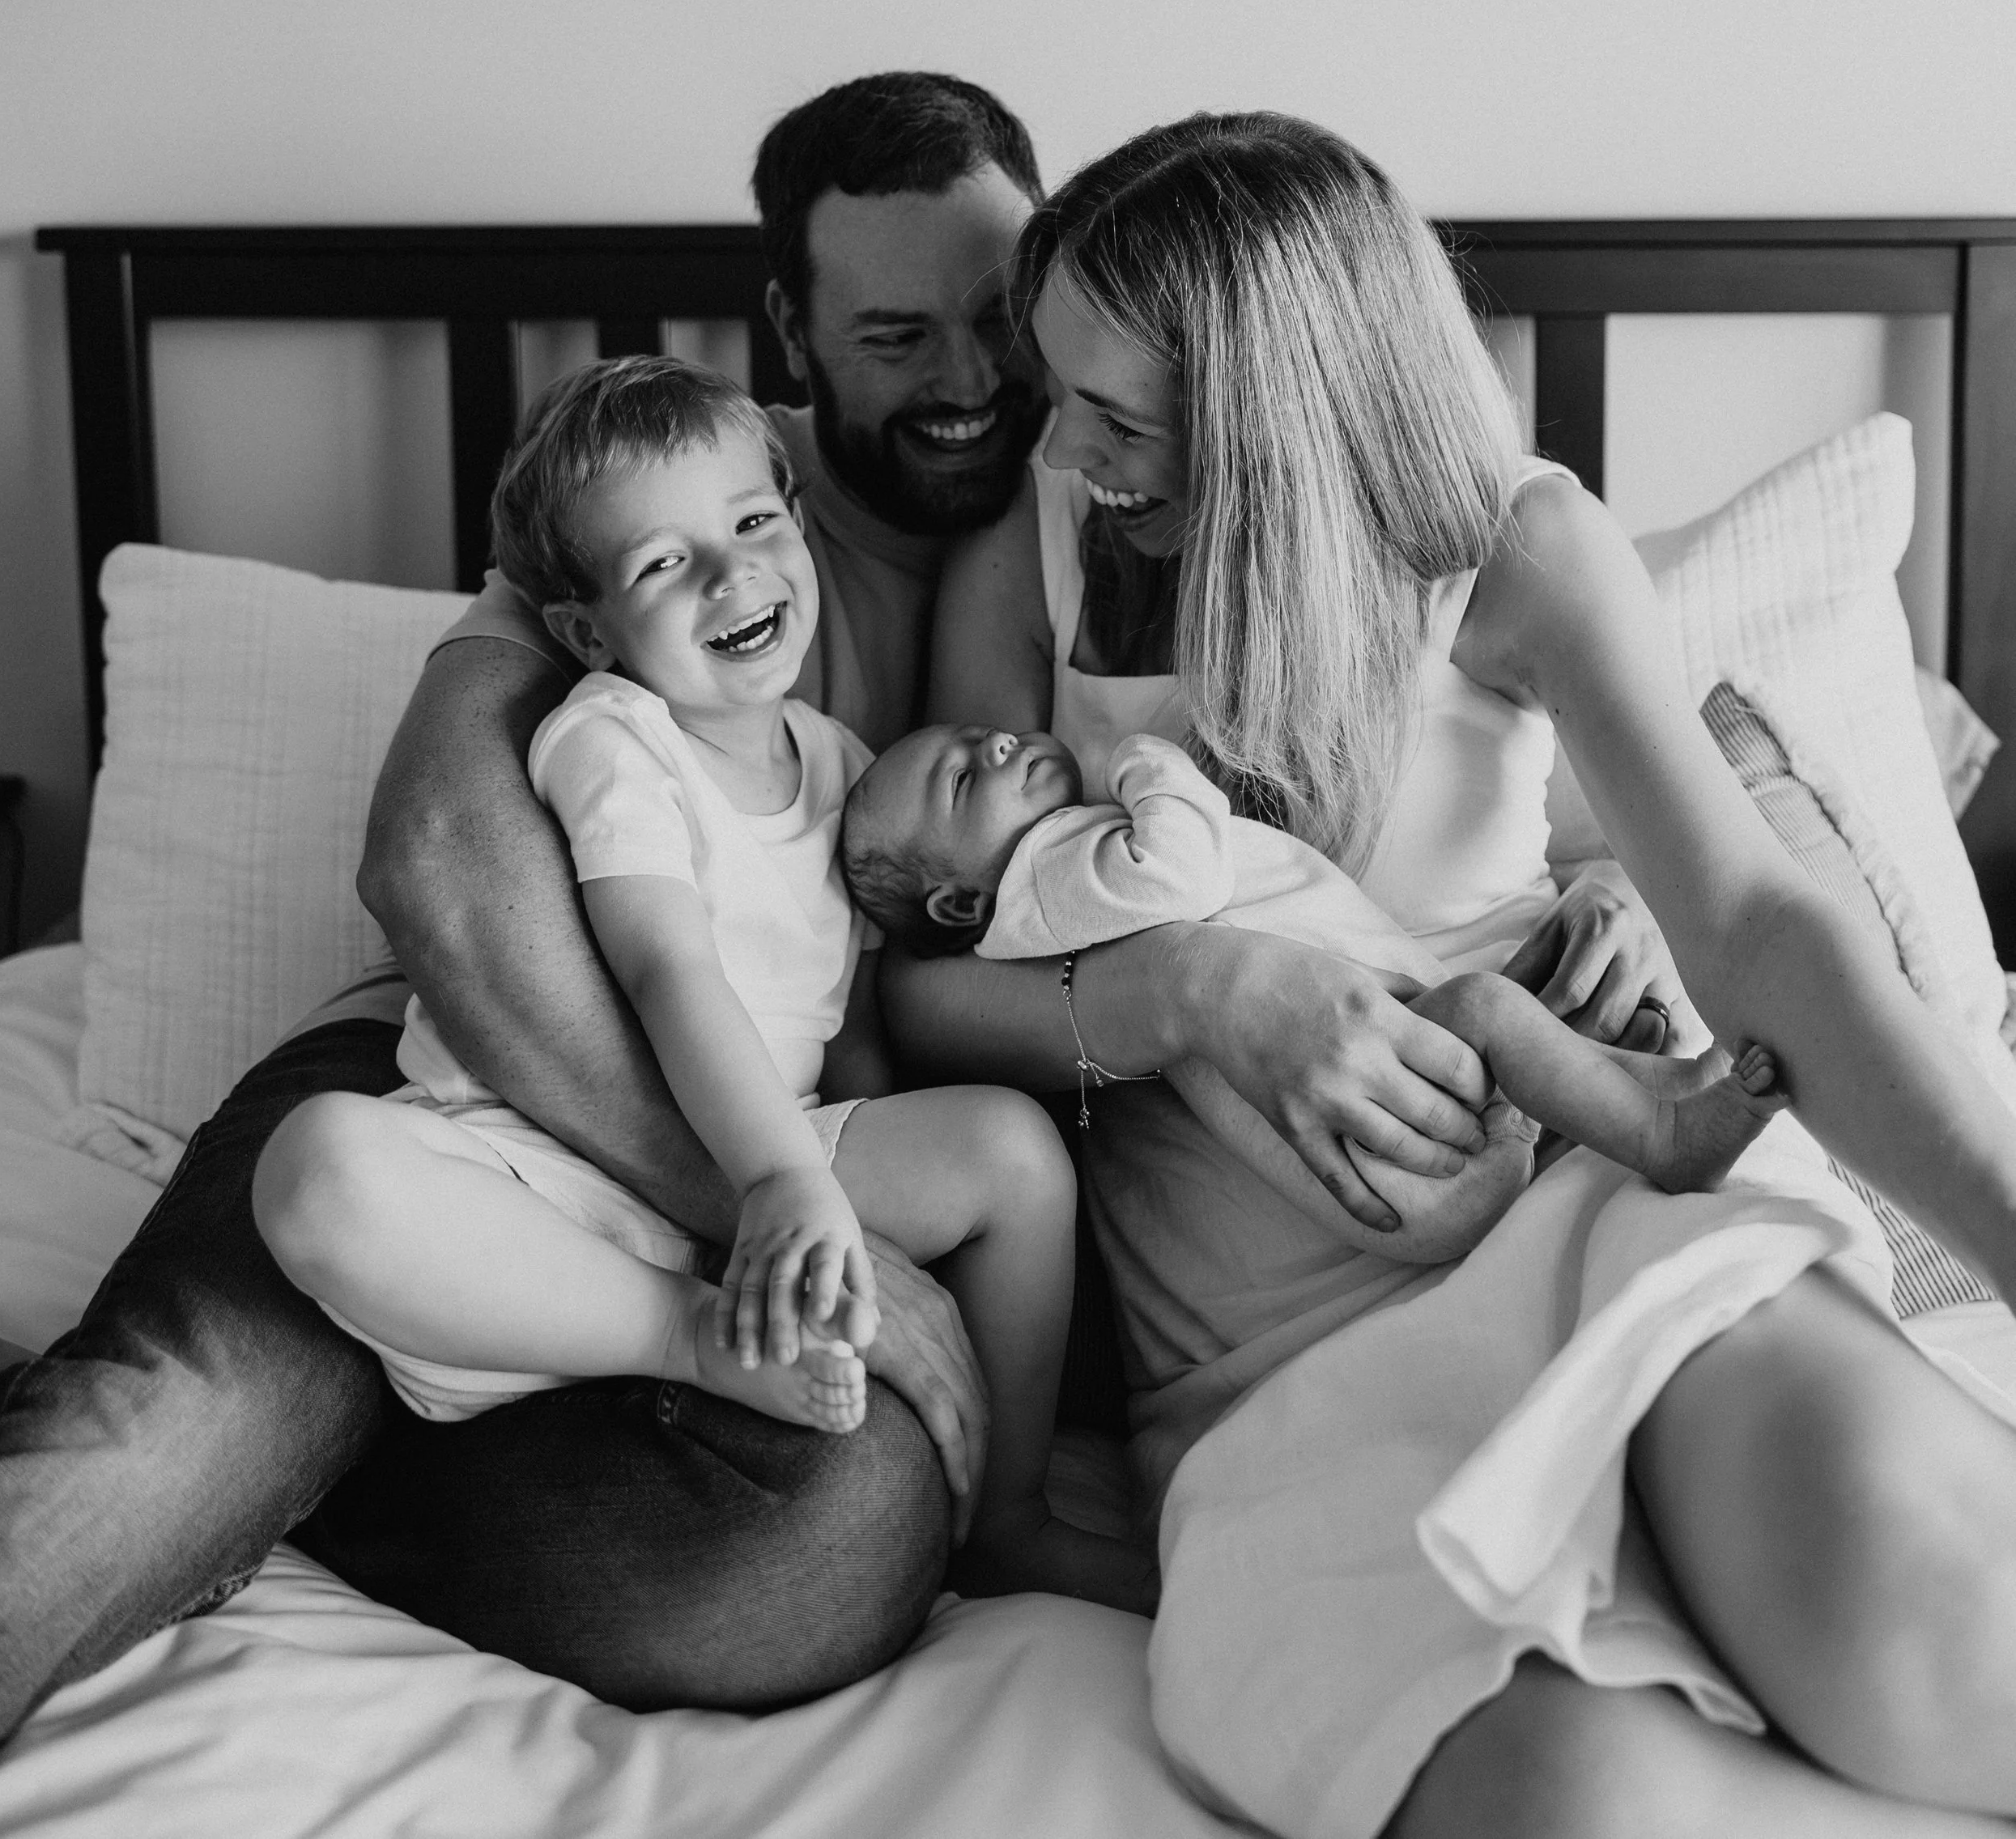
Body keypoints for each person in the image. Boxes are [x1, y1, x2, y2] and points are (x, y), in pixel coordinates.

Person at [889, 111, 2016, 1838]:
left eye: (1120, 410)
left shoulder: (1513, 553)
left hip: (1585, 1218)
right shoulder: (1026, 568)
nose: (1066, 447)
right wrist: (1192, 990)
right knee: (1572, 1801)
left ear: (1280, 402)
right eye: (1063, 394)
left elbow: (1764, 933)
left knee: (1897, 1581)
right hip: (1270, 1382)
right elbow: (913, 995)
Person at [0, 70, 1074, 1747]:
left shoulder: (1124, 499)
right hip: (466, 1087)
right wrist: (771, 1200)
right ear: (788, 328)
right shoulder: (651, 481)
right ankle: (224, 1452)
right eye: (890, 334)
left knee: (836, 1540)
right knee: (152, 1453)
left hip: (734, 1180)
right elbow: (436, 866)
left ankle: (322, 1457)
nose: (965, 377)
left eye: (996, 315)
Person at [256, 357, 1150, 1610]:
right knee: (317, 1167)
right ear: (586, 631)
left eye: (752, 523)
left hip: (751, 1173)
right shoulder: (616, 738)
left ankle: (1007, 1512)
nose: (734, 574)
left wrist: (861, 1206)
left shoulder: (841, 768)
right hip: (544, 1175)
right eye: (664, 564)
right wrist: (781, 1180)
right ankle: (682, 1336)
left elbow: (848, 1034)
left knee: (1008, 1154)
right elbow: (668, 967)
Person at [841, 720, 1784, 1246]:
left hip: (1394, 1106)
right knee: (1493, 1013)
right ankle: (1664, 1134)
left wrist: (1618, 887)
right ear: (960, 908)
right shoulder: (1051, 874)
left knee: (1502, 1014)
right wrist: (1144, 763)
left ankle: (1648, 1099)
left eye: (980, 737)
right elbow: (1184, 871)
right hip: (1389, 1131)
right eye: (965, 782)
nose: (997, 749)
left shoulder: (1052, 887)